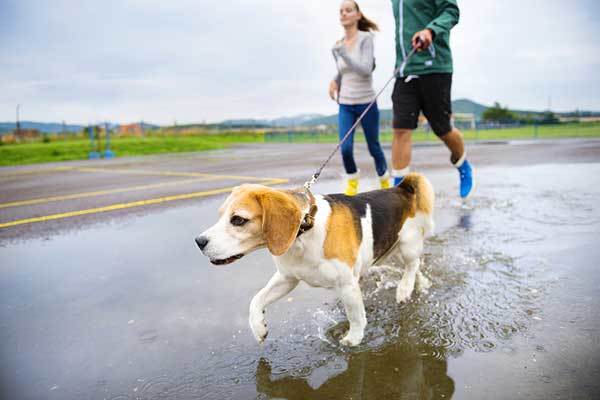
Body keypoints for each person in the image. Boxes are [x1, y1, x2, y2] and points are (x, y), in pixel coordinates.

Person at [390, 0, 473, 198]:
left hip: (435, 67)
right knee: (401, 128)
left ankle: (463, 164)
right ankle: (398, 194)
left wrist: (430, 30)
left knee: (442, 129)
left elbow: (451, 10)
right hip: (405, 69)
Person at [330, 0, 390, 196]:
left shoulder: (366, 39)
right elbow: (343, 71)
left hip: (366, 102)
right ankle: (352, 181)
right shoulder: (338, 45)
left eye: (348, 10)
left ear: (357, 15)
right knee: (345, 148)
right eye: (341, 11)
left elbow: (365, 70)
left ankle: (384, 182)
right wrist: (335, 80)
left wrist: (344, 54)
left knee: (374, 146)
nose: (344, 14)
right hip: (346, 103)